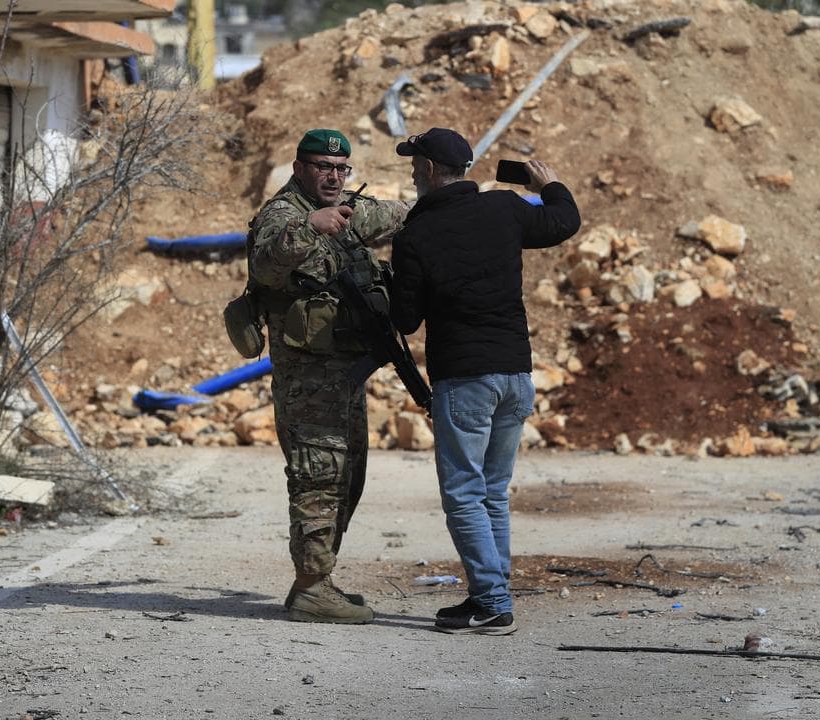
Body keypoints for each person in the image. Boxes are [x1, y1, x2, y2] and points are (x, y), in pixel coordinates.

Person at [389, 128, 581, 635]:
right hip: (516, 374)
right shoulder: (504, 208)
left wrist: (396, 280)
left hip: (465, 379)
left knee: (464, 493)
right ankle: (488, 596)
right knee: (492, 492)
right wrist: (552, 184)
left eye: (415, 165)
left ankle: (493, 602)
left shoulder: (416, 235)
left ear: (430, 170)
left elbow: (405, 320)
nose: (412, 173)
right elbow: (563, 221)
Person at [249, 128, 409, 623]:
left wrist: (450, 202)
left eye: (342, 169)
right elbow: (266, 264)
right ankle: (312, 586)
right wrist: (312, 227)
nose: (334, 177)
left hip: (344, 376)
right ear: (299, 168)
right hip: (307, 381)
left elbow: (395, 215)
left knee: (348, 477)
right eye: (323, 167)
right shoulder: (285, 215)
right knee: (318, 478)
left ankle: (322, 579)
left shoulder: (344, 211)